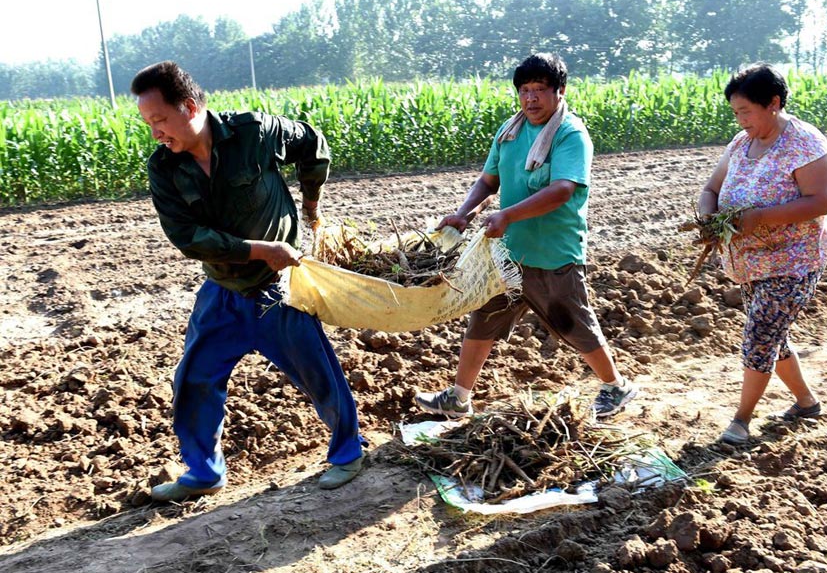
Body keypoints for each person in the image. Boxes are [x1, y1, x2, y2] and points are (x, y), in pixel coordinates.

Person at [130, 61, 366, 502]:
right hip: (222, 289)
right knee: (195, 380)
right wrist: (262, 249)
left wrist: (311, 203)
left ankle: (348, 453)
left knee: (317, 371)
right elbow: (189, 237)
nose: (156, 132)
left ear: (189, 106)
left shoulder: (254, 133)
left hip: (279, 289)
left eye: (160, 120)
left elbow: (312, 143)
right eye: (149, 124)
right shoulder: (164, 167)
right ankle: (203, 473)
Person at [414, 53, 639, 421]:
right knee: (485, 316)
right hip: (509, 251)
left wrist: (507, 215)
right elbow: (490, 180)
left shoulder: (570, 134)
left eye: (539, 90)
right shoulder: (511, 131)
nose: (531, 98)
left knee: (573, 323)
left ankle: (616, 386)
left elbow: (563, 190)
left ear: (559, 91)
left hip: (551, 252)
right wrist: (464, 212)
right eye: (524, 91)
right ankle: (459, 397)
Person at [696, 63, 827, 445]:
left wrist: (759, 218)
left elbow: (822, 200)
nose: (740, 120)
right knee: (773, 335)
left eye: (746, 111)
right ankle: (806, 403)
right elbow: (711, 188)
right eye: (736, 113)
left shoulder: (805, 143)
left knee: (760, 334)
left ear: (773, 103)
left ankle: (741, 420)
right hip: (751, 261)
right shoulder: (741, 144)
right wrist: (707, 216)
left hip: (795, 259)